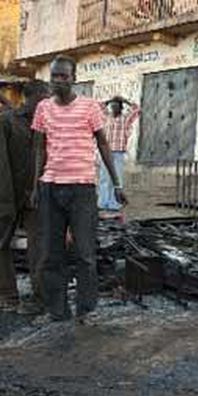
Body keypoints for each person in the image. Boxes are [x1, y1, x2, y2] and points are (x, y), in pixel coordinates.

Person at [31, 55, 127, 323]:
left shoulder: (89, 108)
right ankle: (57, 310)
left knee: (85, 253)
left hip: (82, 189)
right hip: (50, 187)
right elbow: (39, 148)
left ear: (74, 78)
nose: (59, 81)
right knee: (51, 253)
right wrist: (35, 185)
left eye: (64, 76)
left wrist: (116, 183)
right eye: (55, 76)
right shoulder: (43, 109)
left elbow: (104, 145)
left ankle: (87, 310)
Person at [0, 81, 50, 312]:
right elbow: (2, 166)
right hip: (8, 195)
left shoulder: (47, 125)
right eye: (44, 97)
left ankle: (40, 298)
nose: (48, 101)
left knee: (38, 247)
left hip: (36, 195)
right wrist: (7, 201)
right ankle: (9, 295)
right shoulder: (7, 121)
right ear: (31, 97)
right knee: (2, 244)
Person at [99, 96, 140, 212]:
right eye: (112, 106)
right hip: (105, 152)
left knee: (116, 179)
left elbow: (137, 109)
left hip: (118, 153)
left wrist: (125, 100)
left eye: (116, 106)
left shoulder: (126, 119)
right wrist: (109, 99)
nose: (113, 108)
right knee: (104, 178)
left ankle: (114, 204)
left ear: (121, 108)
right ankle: (102, 203)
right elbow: (98, 107)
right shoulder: (106, 117)